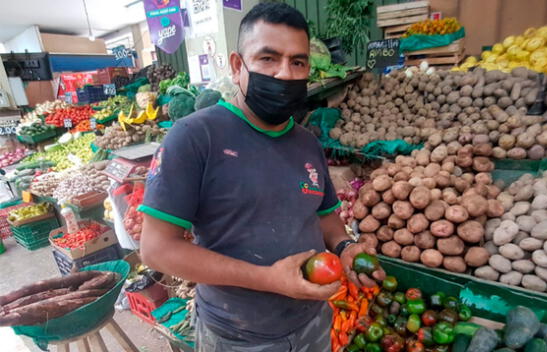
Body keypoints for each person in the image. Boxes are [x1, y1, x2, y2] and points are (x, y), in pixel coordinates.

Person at [139, 3, 385, 351]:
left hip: (314, 324)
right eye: (268, 58)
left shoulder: (307, 143)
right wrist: (266, 279)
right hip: (237, 336)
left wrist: (344, 247)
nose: (284, 74)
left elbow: (326, 218)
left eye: (297, 62)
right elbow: (156, 249)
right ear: (238, 66)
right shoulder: (195, 137)